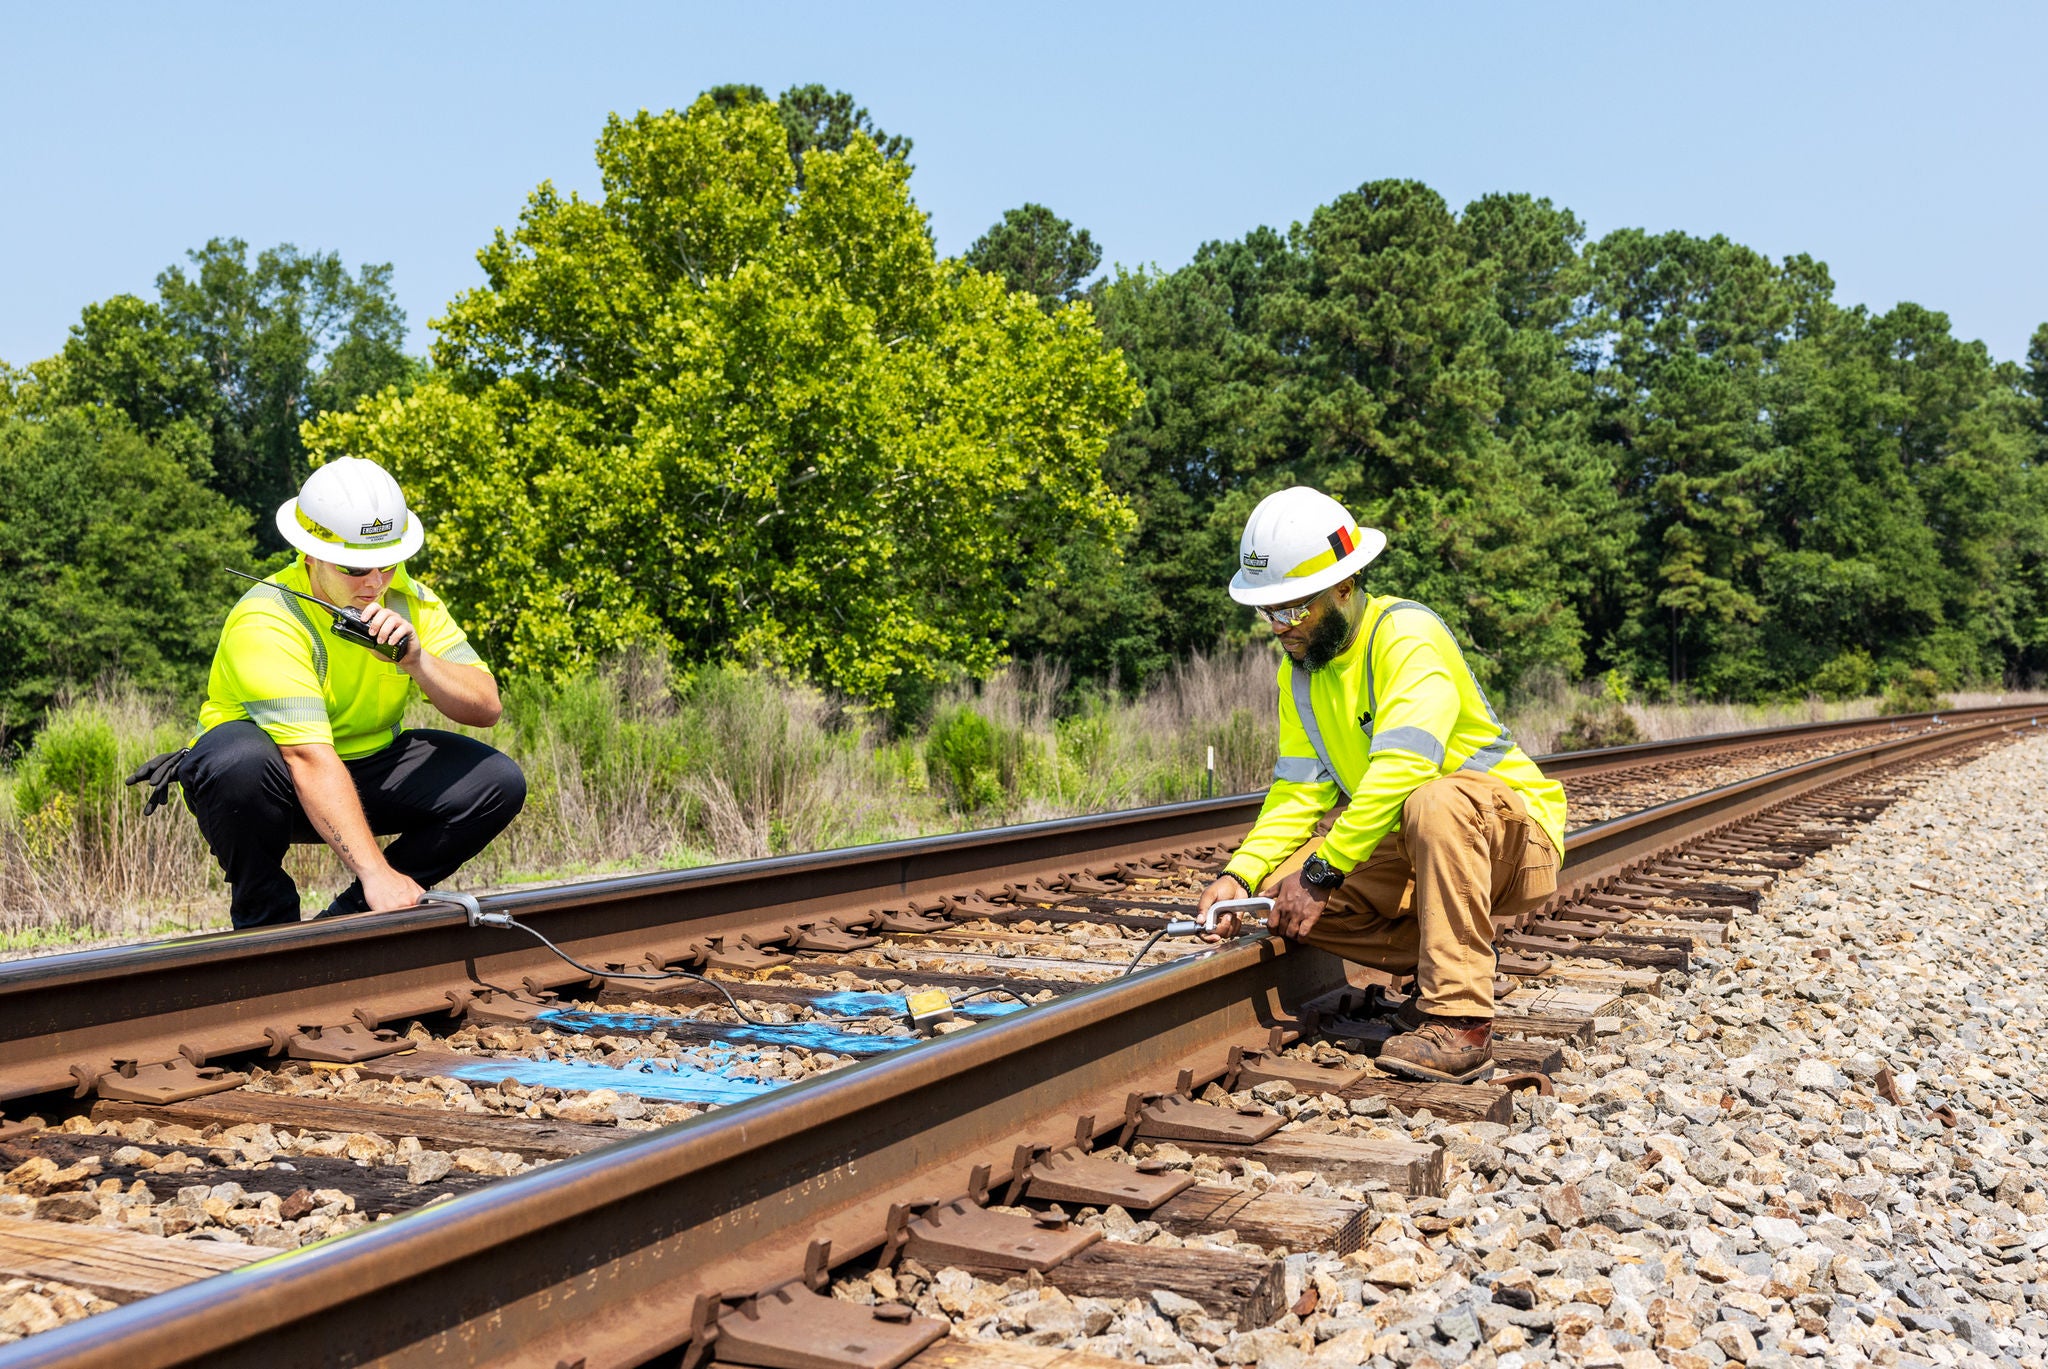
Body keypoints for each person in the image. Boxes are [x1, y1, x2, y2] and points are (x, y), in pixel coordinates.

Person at [1195, 487, 1567, 1083]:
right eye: (1268, 613)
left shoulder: (1407, 635)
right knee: (1273, 892)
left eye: (1293, 609)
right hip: (1423, 847)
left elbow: (1407, 768)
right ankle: (1444, 957)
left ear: (1345, 586)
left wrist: (1322, 873)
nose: (1279, 627)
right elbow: (1298, 794)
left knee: (1433, 801)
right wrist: (1237, 876)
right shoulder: (1301, 676)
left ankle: (1461, 1020)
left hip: (1511, 839)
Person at [170, 457, 525, 929]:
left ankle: (351, 922)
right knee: (239, 762)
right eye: (356, 566)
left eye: (388, 562)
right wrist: (375, 869)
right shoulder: (266, 619)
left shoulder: (407, 598)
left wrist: (417, 661)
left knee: (496, 781)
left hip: (365, 768)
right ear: (311, 553)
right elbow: (307, 758)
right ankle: (265, 925)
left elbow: (486, 707)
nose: (375, 582)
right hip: (273, 784)